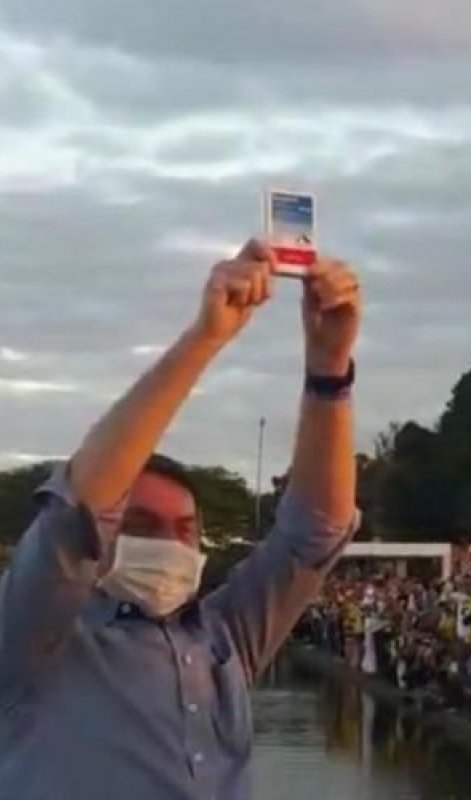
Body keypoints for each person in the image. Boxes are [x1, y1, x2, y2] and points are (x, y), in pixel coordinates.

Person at [0, 241, 362, 799]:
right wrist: (206, 338)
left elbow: (317, 530)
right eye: (143, 524)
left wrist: (329, 369)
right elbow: (81, 504)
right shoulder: (34, 635)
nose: (169, 542)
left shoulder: (225, 636)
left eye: (185, 529)